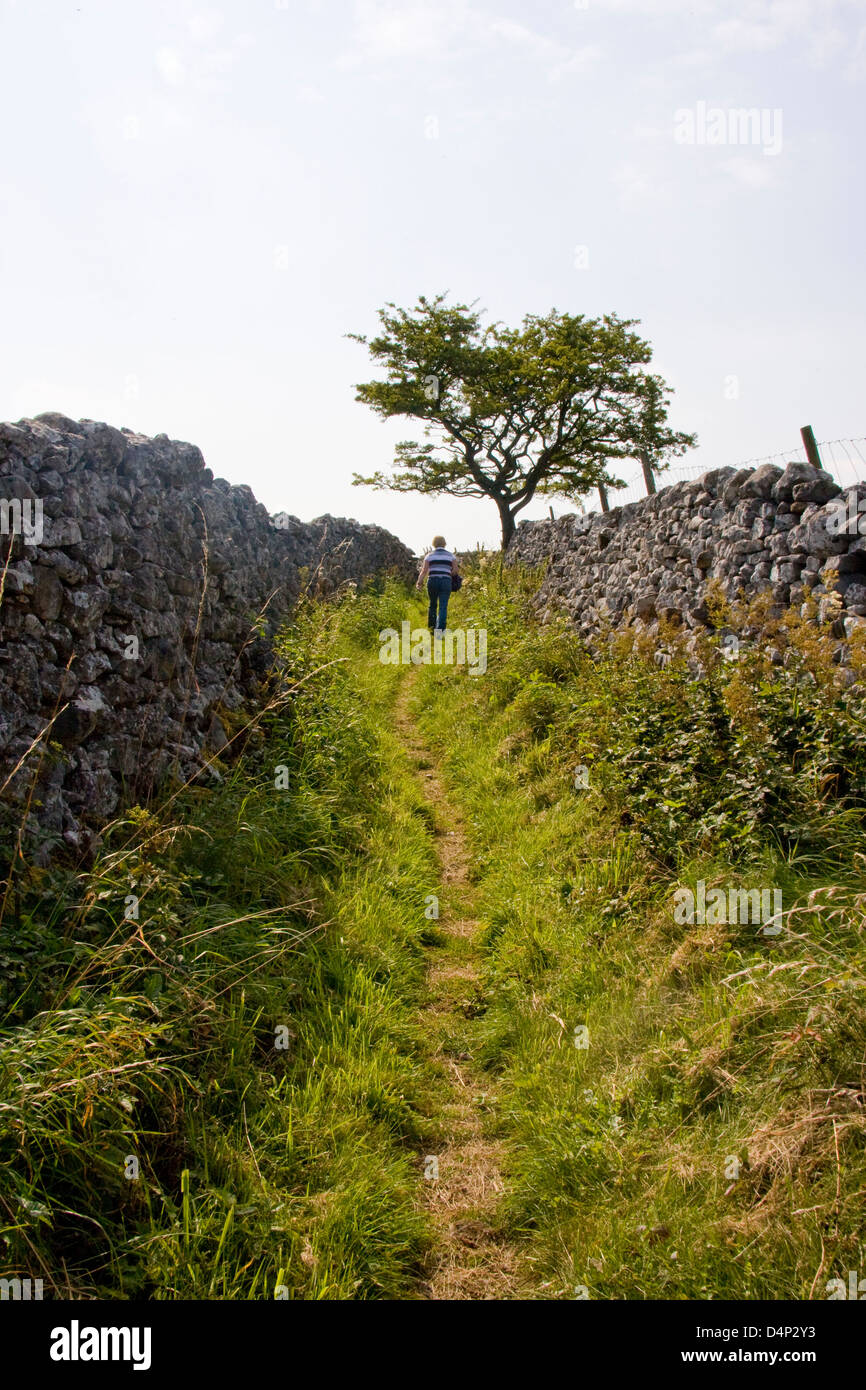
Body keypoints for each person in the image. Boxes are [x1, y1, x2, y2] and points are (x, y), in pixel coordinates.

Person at [416, 535, 460, 635]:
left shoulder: (429, 556)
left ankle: (431, 628)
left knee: (432, 604)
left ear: (434, 543)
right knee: (443, 606)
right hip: (446, 581)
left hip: (432, 581)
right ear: (444, 543)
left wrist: (419, 582)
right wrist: (448, 573)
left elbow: (424, 571)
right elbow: (456, 570)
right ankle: (440, 631)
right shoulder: (450, 556)